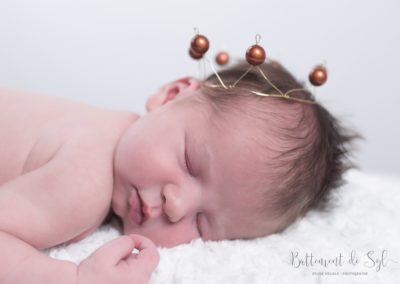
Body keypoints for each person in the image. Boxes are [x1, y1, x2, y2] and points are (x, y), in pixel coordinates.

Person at [0, 60, 359, 283]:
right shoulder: (84, 187)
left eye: (202, 223)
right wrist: (74, 278)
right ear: (171, 93)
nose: (176, 205)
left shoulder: (114, 128)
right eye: (190, 163)